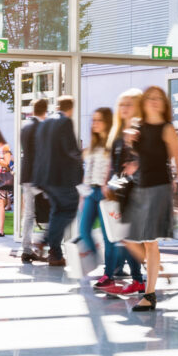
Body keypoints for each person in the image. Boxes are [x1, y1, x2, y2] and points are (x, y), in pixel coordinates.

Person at [124, 86, 178, 312]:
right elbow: (138, 157)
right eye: (150, 98)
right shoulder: (137, 127)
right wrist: (130, 142)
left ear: (165, 102)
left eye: (158, 98)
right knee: (132, 239)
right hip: (140, 187)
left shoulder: (167, 128)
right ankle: (156, 274)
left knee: (150, 241)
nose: (154, 101)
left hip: (159, 187)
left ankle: (149, 294)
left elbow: (177, 161)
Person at [100, 90, 146, 294]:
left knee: (132, 239)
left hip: (138, 192)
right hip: (120, 192)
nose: (124, 108)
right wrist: (106, 183)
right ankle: (135, 277)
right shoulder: (117, 133)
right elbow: (113, 164)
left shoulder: (141, 132)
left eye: (129, 104)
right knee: (124, 237)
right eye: (121, 104)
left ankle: (140, 277)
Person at [33, 96, 82, 269]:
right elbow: (71, 150)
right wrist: (83, 155)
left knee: (57, 212)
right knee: (69, 209)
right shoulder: (65, 122)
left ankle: (55, 255)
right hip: (60, 177)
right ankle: (44, 241)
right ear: (71, 108)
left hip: (44, 178)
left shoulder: (45, 123)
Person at [78, 107, 116, 283]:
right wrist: (83, 195)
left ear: (107, 122)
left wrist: (108, 185)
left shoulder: (112, 144)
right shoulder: (92, 146)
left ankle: (109, 272)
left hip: (105, 193)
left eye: (99, 120)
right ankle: (104, 261)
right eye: (93, 120)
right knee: (84, 230)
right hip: (91, 191)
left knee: (109, 236)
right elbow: (88, 171)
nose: (94, 124)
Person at [19, 99, 48, 264]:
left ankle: (27, 249)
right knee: (56, 209)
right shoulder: (40, 128)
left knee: (29, 215)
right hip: (38, 177)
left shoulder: (25, 126)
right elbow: (40, 154)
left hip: (26, 176)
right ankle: (44, 243)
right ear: (45, 111)